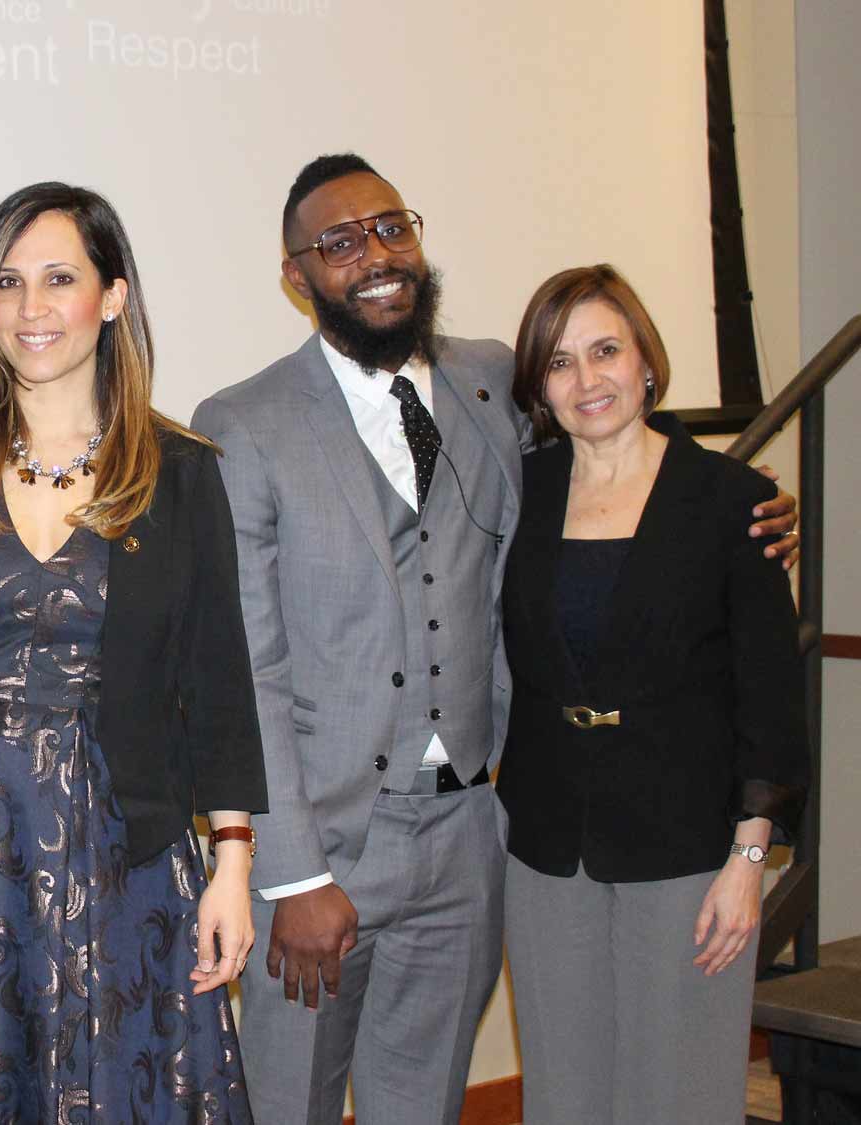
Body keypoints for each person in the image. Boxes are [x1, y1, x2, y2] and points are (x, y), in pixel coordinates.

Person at [189, 153, 801, 1125]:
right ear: (296, 276)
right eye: (338, 242)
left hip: (472, 840)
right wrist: (293, 871)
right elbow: (248, 665)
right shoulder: (243, 425)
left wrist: (741, 507)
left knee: (420, 1105)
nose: (375, 255)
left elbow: (608, 434)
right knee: (285, 1104)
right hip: (325, 851)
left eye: (391, 227)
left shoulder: (483, 383)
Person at [0, 181, 267, 1122]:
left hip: (125, 865)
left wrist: (233, 859)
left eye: (59, 279)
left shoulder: (182, 475)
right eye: (7, 282)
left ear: (111, 298)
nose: (31, 309)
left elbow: (216, 682)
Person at [497, 264, 807, 1125]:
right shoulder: (518, 494)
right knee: (564, 1091)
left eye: (605, 350)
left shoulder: (731, 501)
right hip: (548, 845)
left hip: (690, 850)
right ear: (539, 387)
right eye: (560, 363)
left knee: (681, 1091)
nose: (587, 380)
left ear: (646, 363)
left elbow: (772, 699)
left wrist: (748, 862)